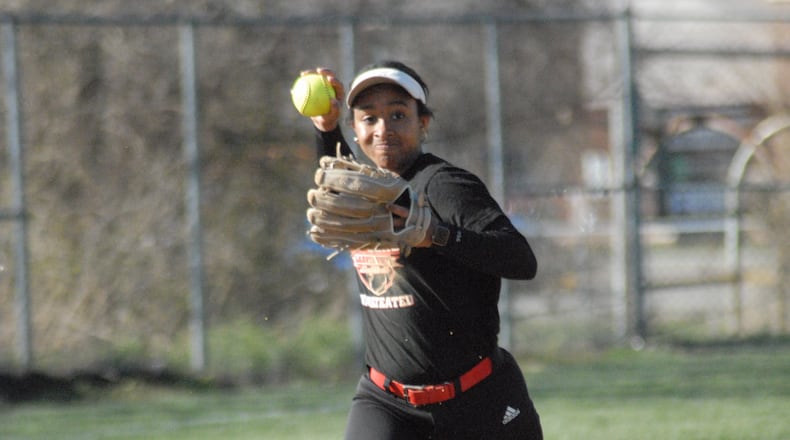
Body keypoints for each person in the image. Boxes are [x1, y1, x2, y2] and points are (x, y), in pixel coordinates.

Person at [300, 60, 542, 440]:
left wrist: (437, 234)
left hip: (474, 401)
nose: (383, 130)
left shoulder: (445, 186)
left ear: (423, 123)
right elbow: (341, 174)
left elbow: (520, 259)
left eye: (398, 115)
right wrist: (326, 128)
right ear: (356, 129)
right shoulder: (365, 191)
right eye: (369, 119)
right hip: (386, 401)